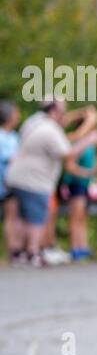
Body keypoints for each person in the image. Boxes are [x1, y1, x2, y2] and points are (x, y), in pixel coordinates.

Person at [5, 101, 97, 266]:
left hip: (15, 176)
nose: (65, 115)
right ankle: (33, 253)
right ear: (55, 110)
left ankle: (17, 253)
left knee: (20, 217)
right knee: (36, 218)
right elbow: (68, 153)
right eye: (63, 110)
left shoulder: (34, 121)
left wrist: (81, 113)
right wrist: (89, 139)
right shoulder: (50, 130)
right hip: (34, 180)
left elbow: (62, 121)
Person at [59, 106, 97, 261]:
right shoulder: (76, 140)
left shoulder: (88, 143)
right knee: (76, 216)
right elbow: (69, 165)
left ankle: (83, 247)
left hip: (85, 184)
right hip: (76, 183)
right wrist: (86, 172)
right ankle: (75, 248)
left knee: (82, 216)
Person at [0, 100, 22, 259]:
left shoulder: (14, 136)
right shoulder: (2, 137)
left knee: (13, 214)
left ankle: (15, 248)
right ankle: (13, 249)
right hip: (5, 181)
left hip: (15, 181)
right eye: (15, 113)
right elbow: (8, 158)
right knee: (11, 215)